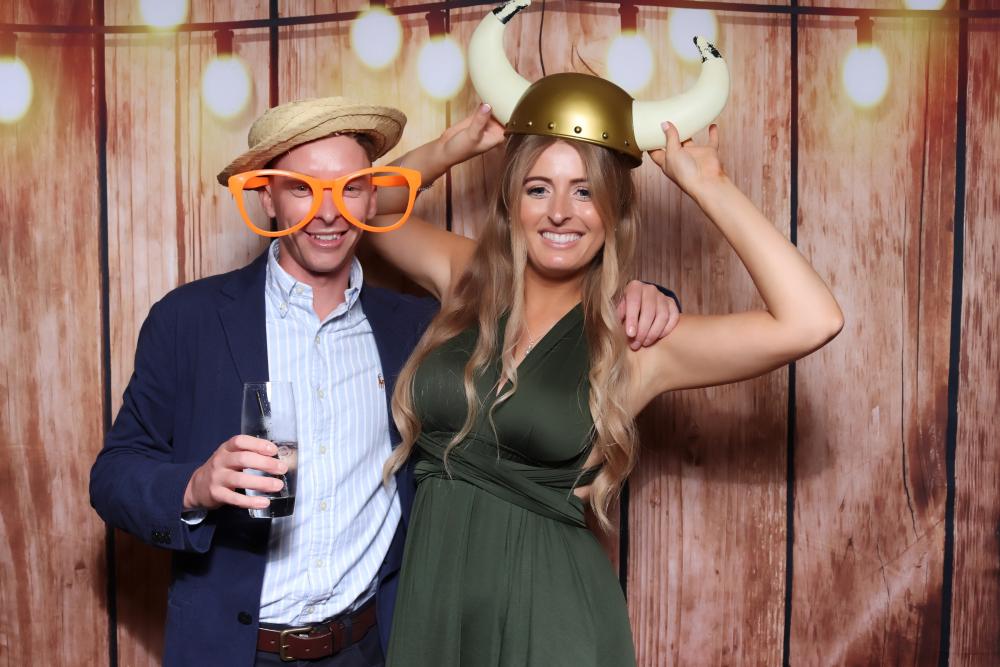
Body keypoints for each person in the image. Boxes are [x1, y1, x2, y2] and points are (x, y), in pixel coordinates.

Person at [89, 96, 682, 667]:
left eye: (350, 188)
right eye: (302, 189)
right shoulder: (189, 321)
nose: (328, 213)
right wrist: (193, 487)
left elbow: (554, 315)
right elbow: (113, 476)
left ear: (370, 196)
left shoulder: (420, 332)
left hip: (374, 647)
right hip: (232, 650)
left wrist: (643, 295)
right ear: (267, 196)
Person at [365, 4, 845, 666]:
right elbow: (364, 209)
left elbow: (812, 319)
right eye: (539, 188)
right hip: (436, 609)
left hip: (553, 621)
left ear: (615, 211)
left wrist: (711, 186)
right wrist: (454, 147)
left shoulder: (637, 342)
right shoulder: (466, 276)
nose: (560, 212)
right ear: (511, 201)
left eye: (585, 192)